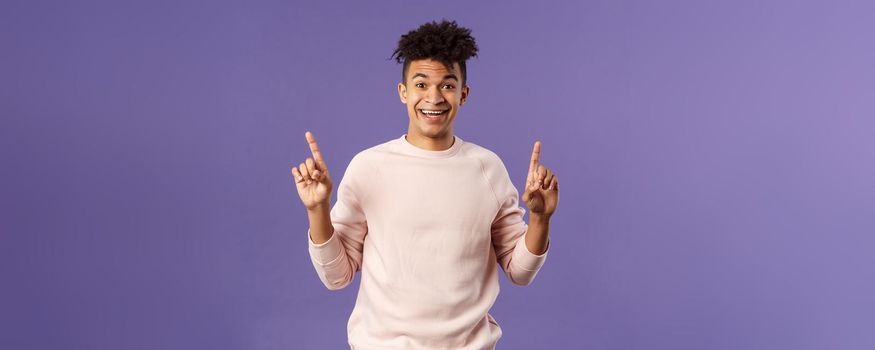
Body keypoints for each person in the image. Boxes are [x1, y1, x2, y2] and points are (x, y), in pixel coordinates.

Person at [291, 20, 559, 350]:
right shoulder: (369, 167)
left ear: (464, 93)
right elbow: (337, 276)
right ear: (403, 92)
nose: (433, 97)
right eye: (421, 84)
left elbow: (520, 272)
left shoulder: (487, 168)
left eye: (447, 85)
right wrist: (317, 209)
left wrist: (541, 219)